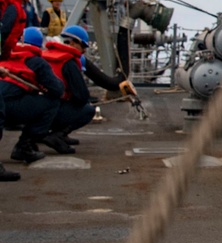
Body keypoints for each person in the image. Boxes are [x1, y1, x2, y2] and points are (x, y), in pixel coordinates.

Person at [42, 24, 137, 148]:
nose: (85, 51)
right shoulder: (69, 62)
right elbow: (81, 96)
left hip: (37, 108)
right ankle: (57, 134)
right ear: (73, 43)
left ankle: (41, 133)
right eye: (83, 46)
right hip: (53, 108)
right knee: (87, 110)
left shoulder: (45, 55)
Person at [0, 26, 64, 163]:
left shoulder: (4, 54)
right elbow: (57, 90)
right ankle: (24, 146)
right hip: (8, 107)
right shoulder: (36, 61)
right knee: (52, 103)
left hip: (4, 103)